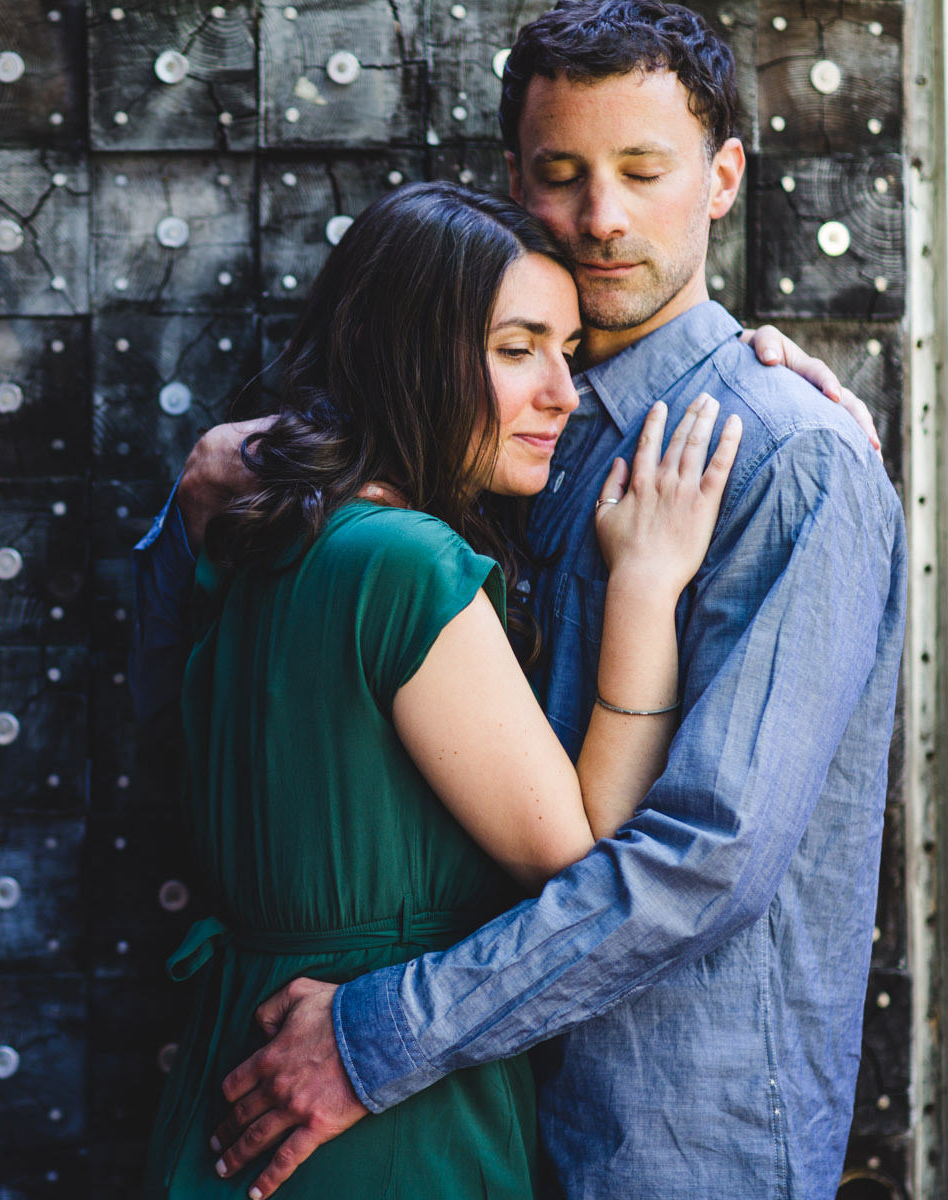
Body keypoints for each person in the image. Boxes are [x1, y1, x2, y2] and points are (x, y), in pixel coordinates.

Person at [133, 2, 906, 1196]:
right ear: (514, 182)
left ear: (724, 179)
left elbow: (700, 861)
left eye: (645, 172)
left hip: (663, 1135)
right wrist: (202, 501)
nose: (602, 217)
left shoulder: (789, 458)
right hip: (468, 1118)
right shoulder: (488, 431)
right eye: (562, 174)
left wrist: (382, 1035)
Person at [141, 179, 741, 1199]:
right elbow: (581, 859)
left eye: (568, 350)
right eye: (517, 351)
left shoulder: (252, 538)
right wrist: (645, 586)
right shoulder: (407, 567)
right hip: (380, 1124)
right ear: (408, 354)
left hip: (231, 1081)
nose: (563, 392)